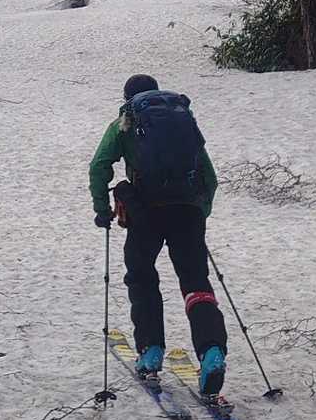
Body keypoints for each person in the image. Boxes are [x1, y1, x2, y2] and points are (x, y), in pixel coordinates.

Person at [88, 73, 229, 397]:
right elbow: (209, 177)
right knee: (196, 282)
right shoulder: (183, 120)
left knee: (142, 277)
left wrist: (102, 209)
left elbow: (99, 166)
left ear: (128, 98)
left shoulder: (124, 122)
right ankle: (211, 353)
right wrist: (200, 212)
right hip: (187, 211)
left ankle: (150, 351)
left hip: (145, 213)